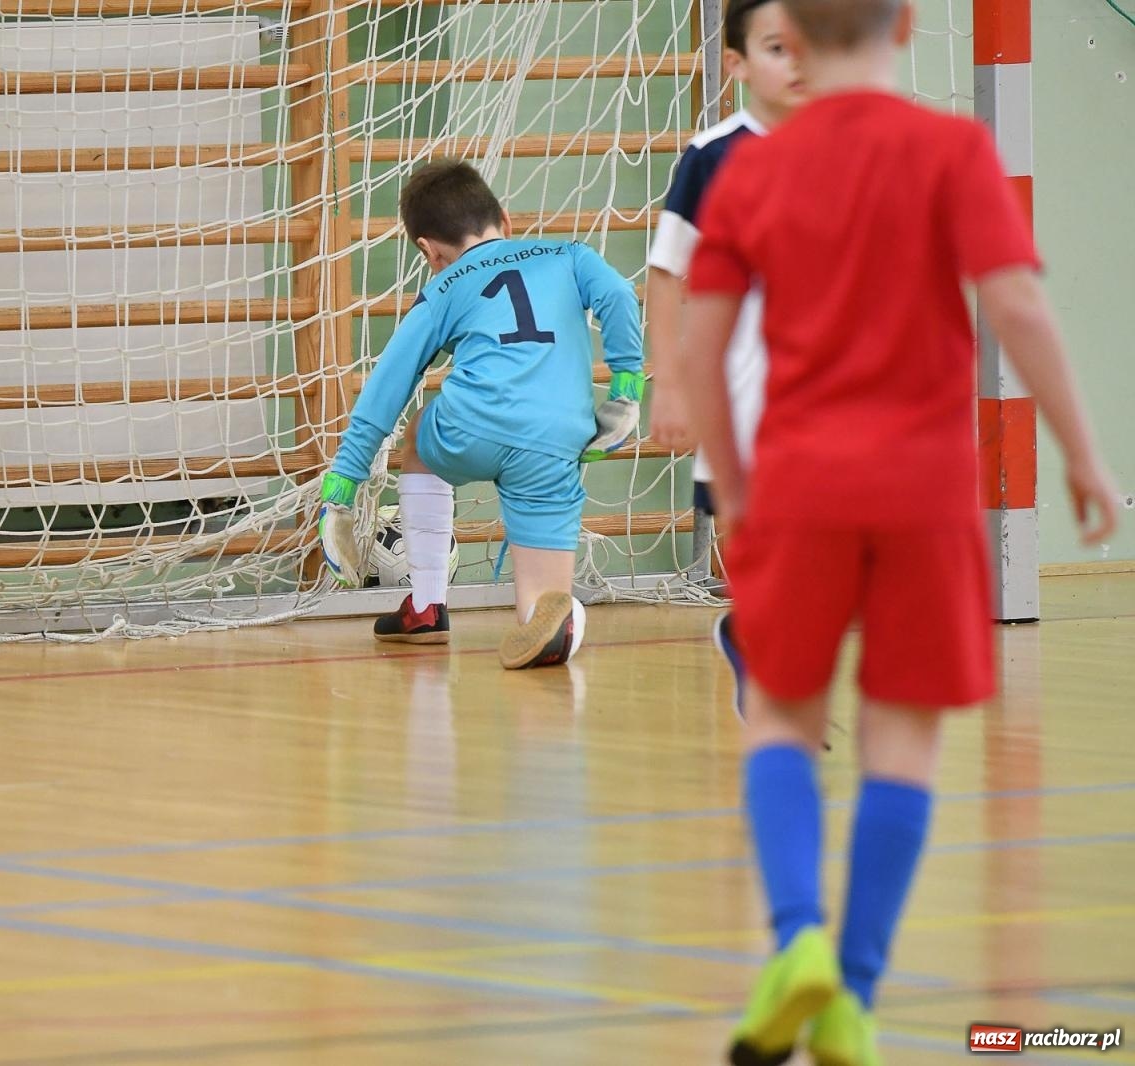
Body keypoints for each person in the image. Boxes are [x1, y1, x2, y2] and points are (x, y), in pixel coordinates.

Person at [679, 2, 1121, 1062]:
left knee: (782, 723)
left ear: (792, 35)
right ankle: (856, 998)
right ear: (908, 24)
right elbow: (1014, 305)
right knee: (901, 742)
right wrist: (1079, 452)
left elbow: (700, 350)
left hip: (794, 482)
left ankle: (796, 944)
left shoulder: (753, 173)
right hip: (923, 491)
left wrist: (734, 488)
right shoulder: (950, 149)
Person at [319, 160, 644, 669]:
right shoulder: (570, 255)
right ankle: (558, 616)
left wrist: (343, 485)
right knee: (539, 609)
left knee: (418, 429)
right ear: (505, 221)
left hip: (471, 426)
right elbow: (620, 294)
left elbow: (388, 386)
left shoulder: (444, 288)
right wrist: (626, 387)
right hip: (558, 438)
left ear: (429, 251)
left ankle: (426, 605)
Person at [645, 0, 806, 718]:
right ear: (737, 64)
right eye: (777, 47)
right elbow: (665, 275)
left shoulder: (858, 146)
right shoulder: (713, 156)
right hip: (741, 394)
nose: (799, 60)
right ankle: (760, 653)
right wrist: (670, 386)